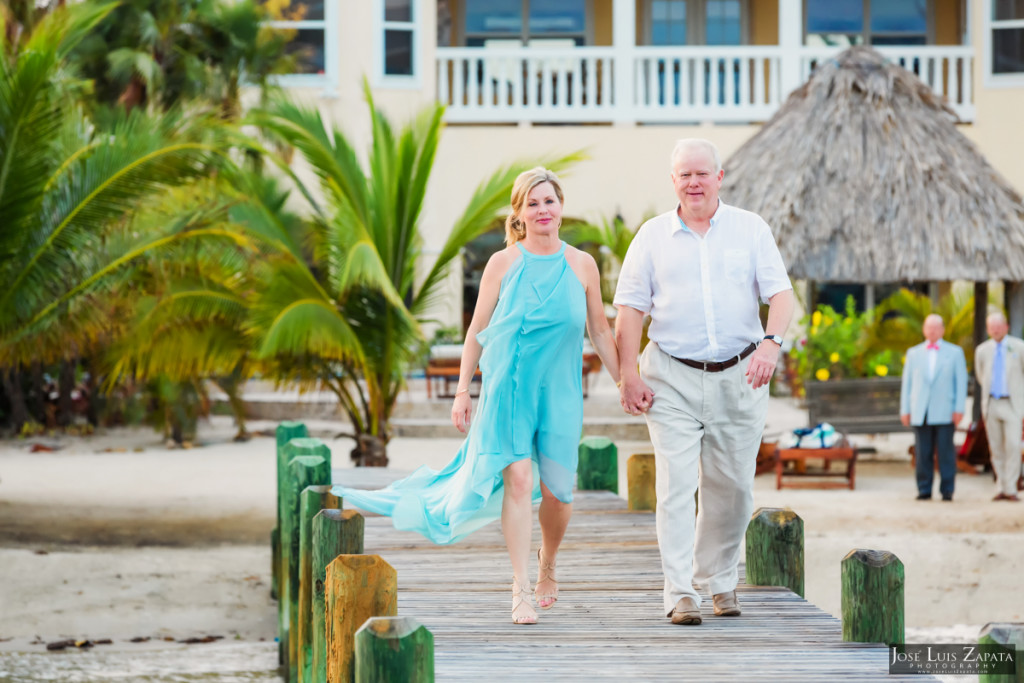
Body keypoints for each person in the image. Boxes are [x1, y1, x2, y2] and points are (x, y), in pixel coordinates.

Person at [334, 167, 621, 624]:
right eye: (533, 203)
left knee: (560, 494)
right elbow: (476, 331)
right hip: (508, 390)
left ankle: (548, 563)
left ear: (561, 207)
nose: (542, 210)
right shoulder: (503, 263)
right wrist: (463, 390)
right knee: (520, 482)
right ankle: (520, 586)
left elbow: (601, 331)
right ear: (520, 214)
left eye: (549, 201)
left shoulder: (582, 264)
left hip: (561, 393)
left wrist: (625, 381)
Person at [614, 138, 794, 626]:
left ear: (719, 177)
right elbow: (629, 310)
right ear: (673, 181)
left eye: (702, 173)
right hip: (670, 376)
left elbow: (781, 296)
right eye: (684, 175)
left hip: (741, 376)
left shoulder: (750, 229)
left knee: (733, 489)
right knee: (675, 485)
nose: (693, 182)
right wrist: (627, 374)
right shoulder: (651, 237)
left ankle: (718, 580)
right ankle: (679, 592)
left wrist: (771, 344)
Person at [899, 314, 968, 501]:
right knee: (922, 453)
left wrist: (959, 408)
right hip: (921, 411)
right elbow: (907, 384)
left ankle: (947, 490)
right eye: (929, 327)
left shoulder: (955, 352)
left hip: (945, 410)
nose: (932, 331)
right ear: (923, 329)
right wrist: (905, 409)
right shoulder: (914, 353)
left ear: (943, 330)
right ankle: (924, 489)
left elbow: (961, 382)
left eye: (936, 328)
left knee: (945, 452)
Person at [974, 312, 1024, 502]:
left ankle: (1011, 487)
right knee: (995, 447)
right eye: (991, 326)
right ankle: (1001, 486)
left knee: (1012, 445)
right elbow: (981, 375)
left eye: (998, 326)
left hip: (1012, 404)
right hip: (992, 403)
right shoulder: (982, 350)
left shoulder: (1019, 347)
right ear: (988, 329)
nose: (995, 330)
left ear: (1006, 327)